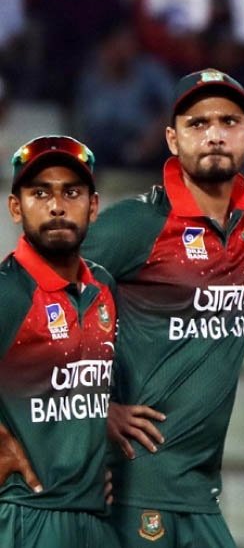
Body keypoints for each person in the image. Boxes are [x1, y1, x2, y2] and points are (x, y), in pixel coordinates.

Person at [80, 69, 244, 547]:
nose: (214, 135)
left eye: (228, 121)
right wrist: (96, 408)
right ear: (172, 138)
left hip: (200, 494)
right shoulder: (134, 224)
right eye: (198, 123)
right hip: (134, 488)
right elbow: (32, 303)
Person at [0, 135, 119, 546]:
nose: (56, 206)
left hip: (96, 518)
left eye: (71, 192)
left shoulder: (103, 287)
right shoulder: (7, 292)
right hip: (26, 515)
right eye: (39, 193)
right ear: (16, 207)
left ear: (93, 206)